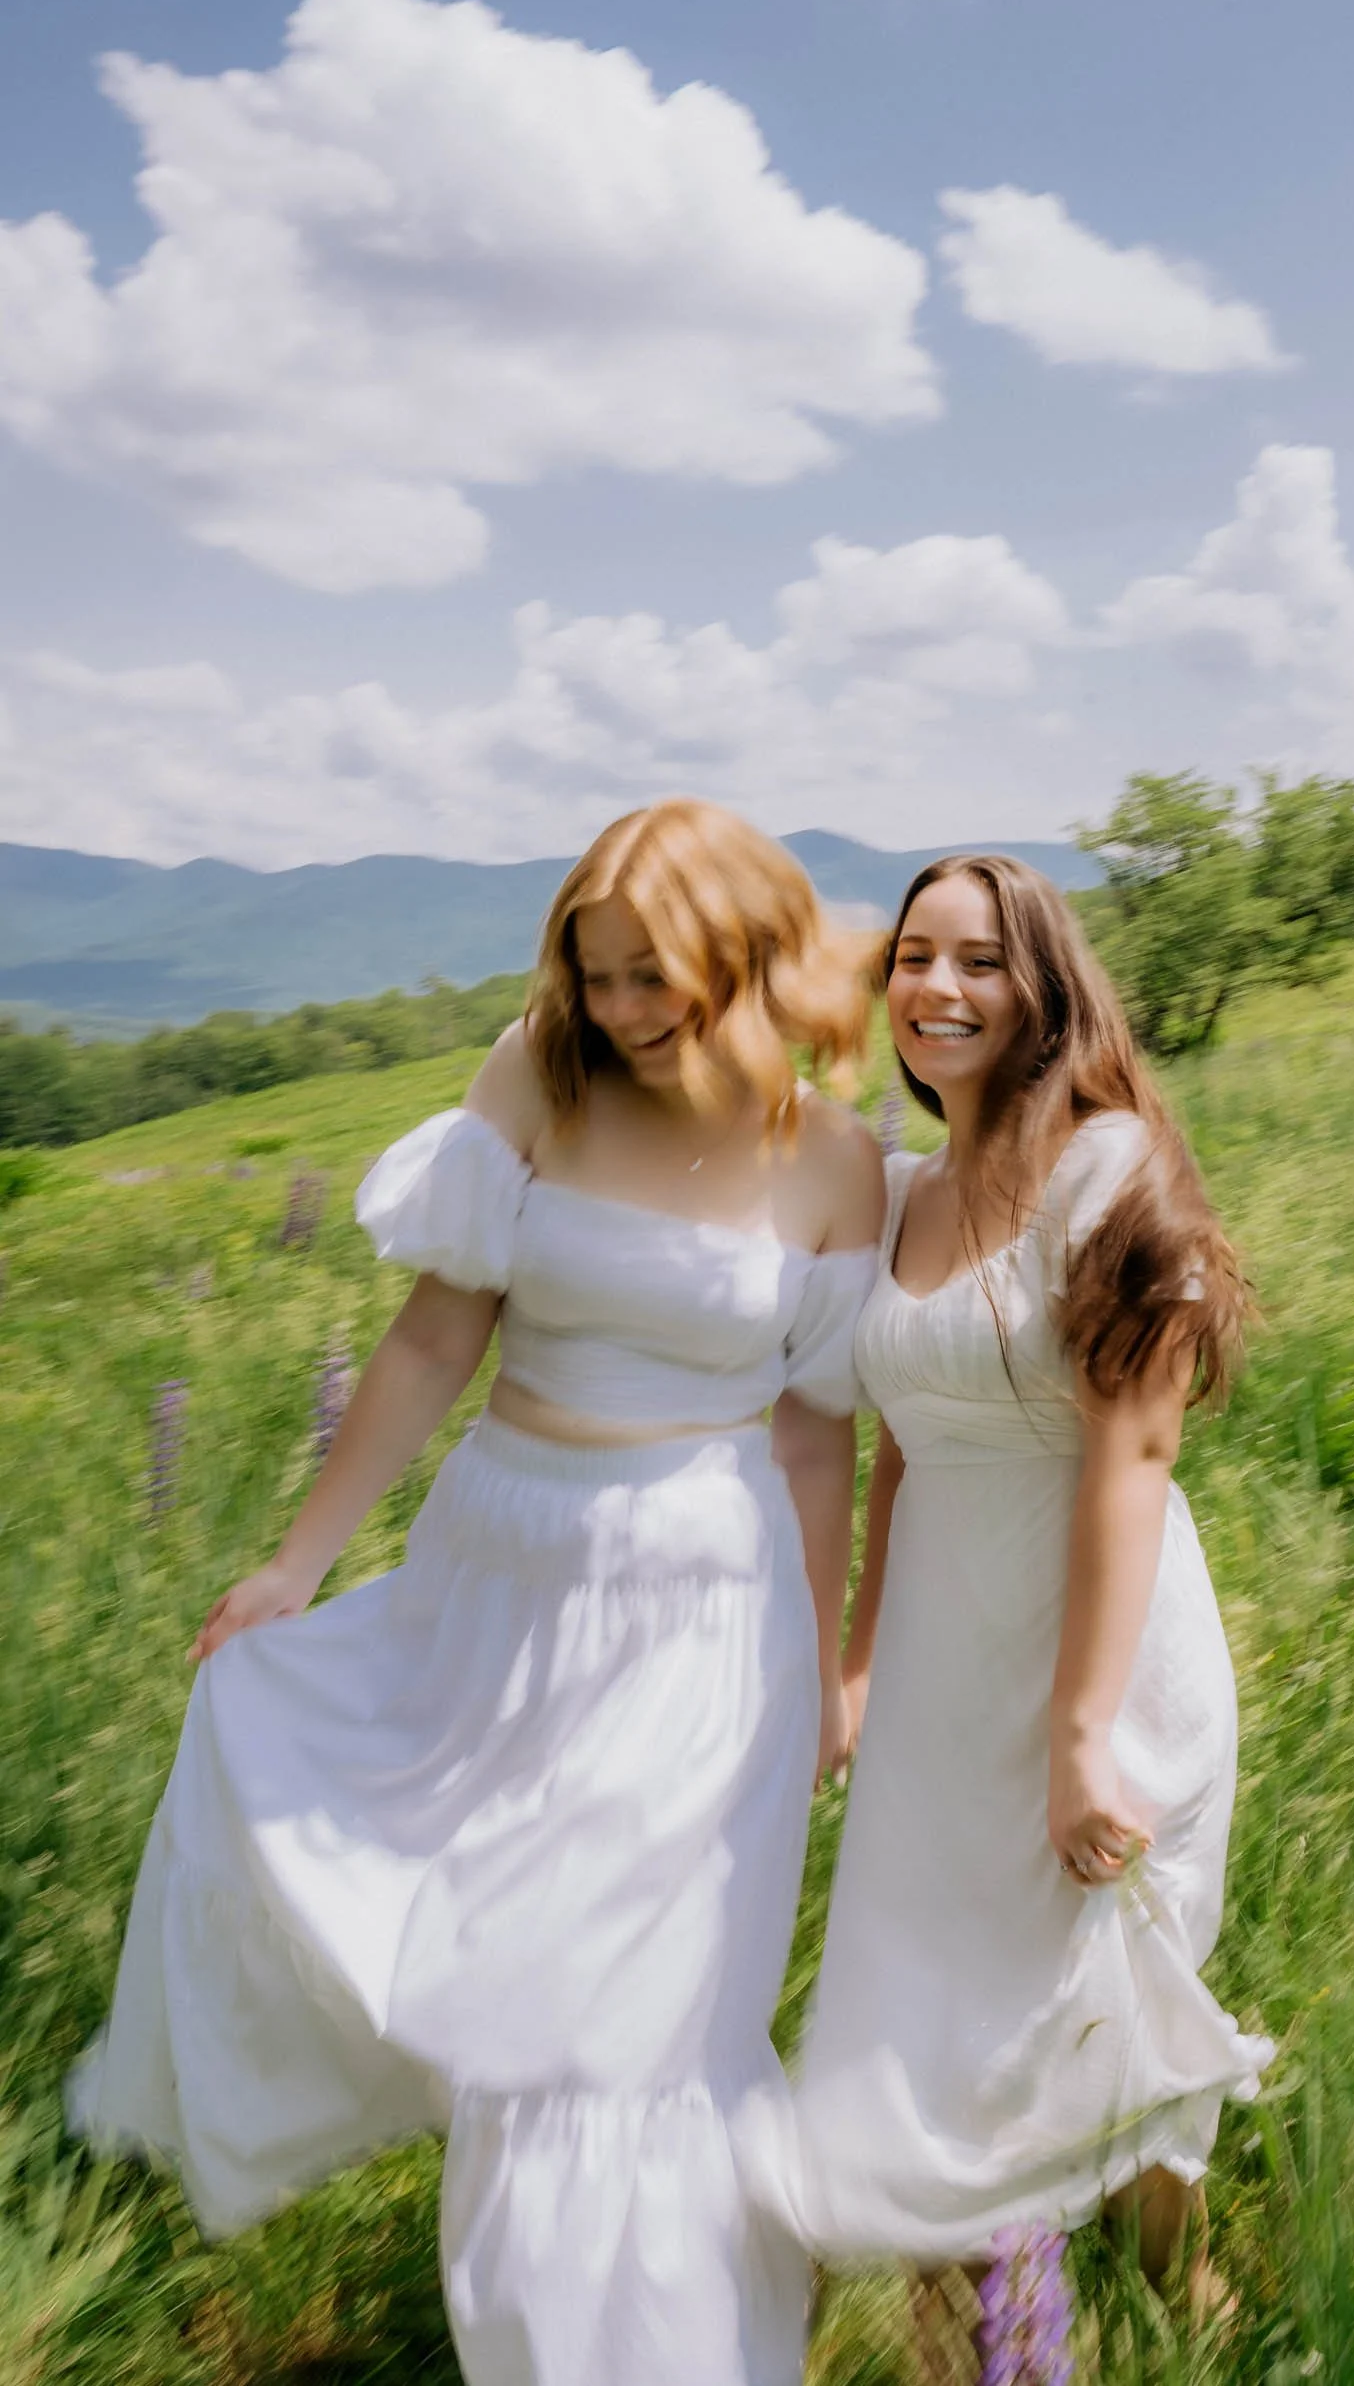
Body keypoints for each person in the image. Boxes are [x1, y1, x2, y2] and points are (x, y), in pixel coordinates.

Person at [67, 799, 885, 2386]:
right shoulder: (537, 1080)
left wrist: (834, 1668)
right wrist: (297, 1561)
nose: (624, 1015)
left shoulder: (839, 1164)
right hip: (497, 1569)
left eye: (653, 978)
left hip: (705, 1610)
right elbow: (437, 1340)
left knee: (632, 2015)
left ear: (738, 955)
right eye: (596, 978)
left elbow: (811, 1443)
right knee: (499, 1963)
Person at [739, 854, 1273, 2366]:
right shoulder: (907, 1199)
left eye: (978, 961)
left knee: (1107, 1979)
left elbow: (1135, 1447)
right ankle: (958, 2339)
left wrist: (1081, 1729)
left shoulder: (1105, 1165)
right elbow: (900, 1452)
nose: (938, 989)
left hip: (1101, 1653)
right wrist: (851, 1665)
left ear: (1041, 985)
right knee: (931, 2009)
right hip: (934, 1670)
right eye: (913, 958)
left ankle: (1178, 2295)